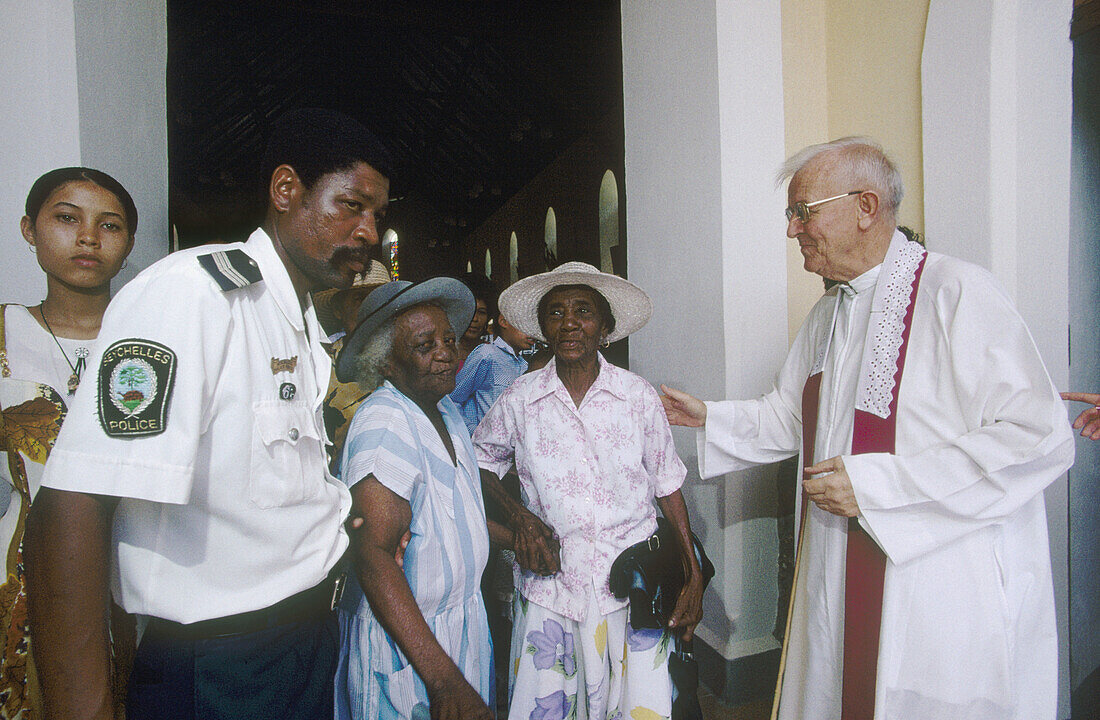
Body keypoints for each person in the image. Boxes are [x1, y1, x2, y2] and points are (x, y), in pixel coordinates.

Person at [661, 137, 1075, 720]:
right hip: (834, 563)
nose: (792, 230)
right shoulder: (829, 313)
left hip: (933, 579)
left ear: (865, 205)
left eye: (802, 211)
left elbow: (1038, 435)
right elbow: (789, 416)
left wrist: (880, 485)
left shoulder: (956, 292)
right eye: (791, 213)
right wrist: (707, 416)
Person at [24, 108, 391, 720]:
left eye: (377, 215)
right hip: (224, 668)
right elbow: (72, 505)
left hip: (303, 643)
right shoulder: (195, 296)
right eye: (351, 205)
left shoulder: (293, 317)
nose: (369, 232)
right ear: (285, 190)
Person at [473, 261, 704, 720]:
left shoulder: (636, 396)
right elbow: (481, 462)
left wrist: (693, 573)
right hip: (550, 590)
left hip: (630, 591)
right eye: (556, 312)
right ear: (542, 327)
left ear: (605, 327)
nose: (570, 322)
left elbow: (667, 483)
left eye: (584, 310)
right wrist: (519, 516)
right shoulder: (520, 399)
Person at [331, 278, 500, 720]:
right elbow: (373, 556)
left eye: (448, 339)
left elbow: (451, 518)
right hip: (411, 646)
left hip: (459, 626)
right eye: (426, 344)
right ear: (385, 362)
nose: (447, 352)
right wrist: (443, 680)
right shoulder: (386, 422)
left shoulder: (443, 409)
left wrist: (515, 535)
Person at [1, 167, 137, 718]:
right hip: (25, 574)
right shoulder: (6, 335)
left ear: (128, 245)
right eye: (66, 218)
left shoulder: (151, 341)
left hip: (136, 571)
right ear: (29, 230)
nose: (88, 237)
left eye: (110, 225)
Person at [315, 259, 392, 463]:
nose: (370, 308)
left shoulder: (406, 360)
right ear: (338, 310)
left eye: (377, 298)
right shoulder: (320, 363)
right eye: (359, 299)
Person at [449, 312, 535, 434]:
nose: (532, 333)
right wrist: (475, 433)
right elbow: (452, 400)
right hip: (481, 448)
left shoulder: (523, 365)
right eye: (525, 325)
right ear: (503, 321)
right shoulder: (487, 355)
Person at [456, 272, 494, 367]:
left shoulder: (493, 356)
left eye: (482, 312)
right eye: (469, 311)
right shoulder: (443, 354)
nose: (475, 319)